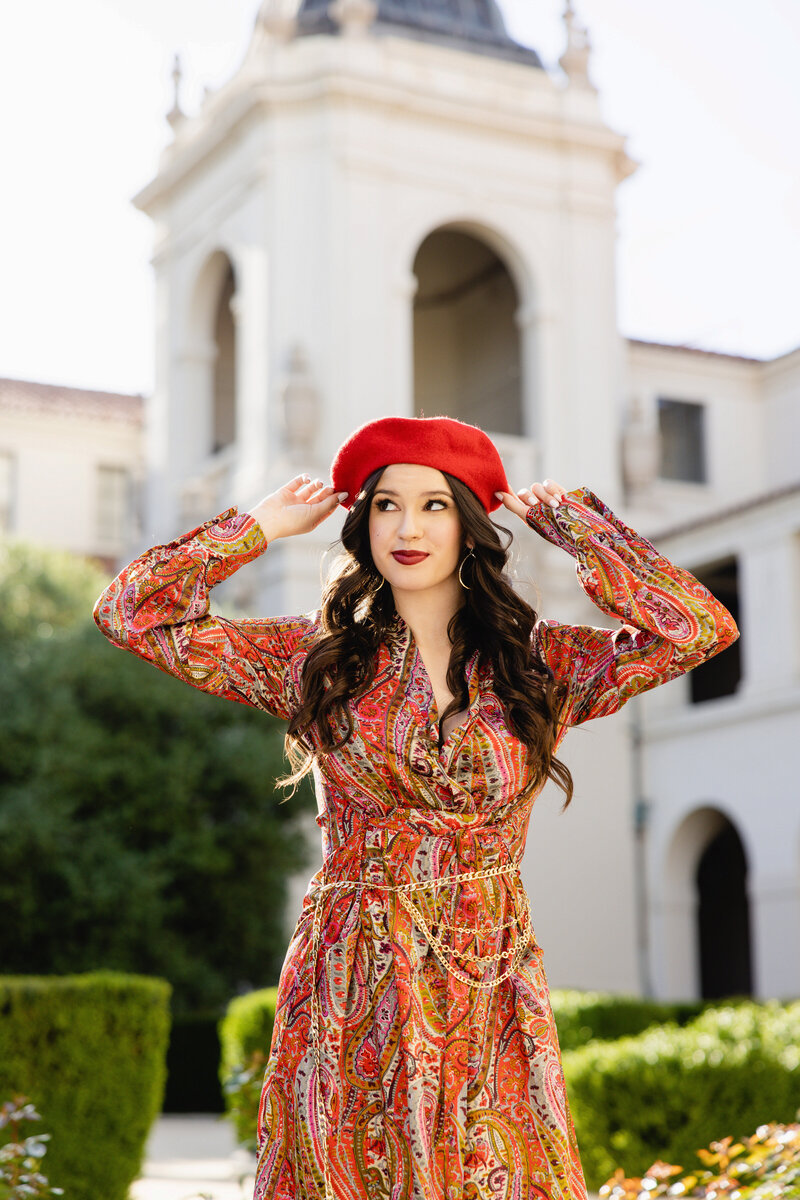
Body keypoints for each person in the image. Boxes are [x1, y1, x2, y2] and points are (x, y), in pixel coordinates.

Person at [93, 415, 739, 1200]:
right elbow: (130, 612)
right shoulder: (313, 661)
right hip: (351, 974)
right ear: (361, 524)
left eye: (435, 504)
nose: (407, 526)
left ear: (471, 527)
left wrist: (576, 528)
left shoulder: (540, 664)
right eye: (386, 505)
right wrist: (256, 527)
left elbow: (697, 629)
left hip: (489, 981)